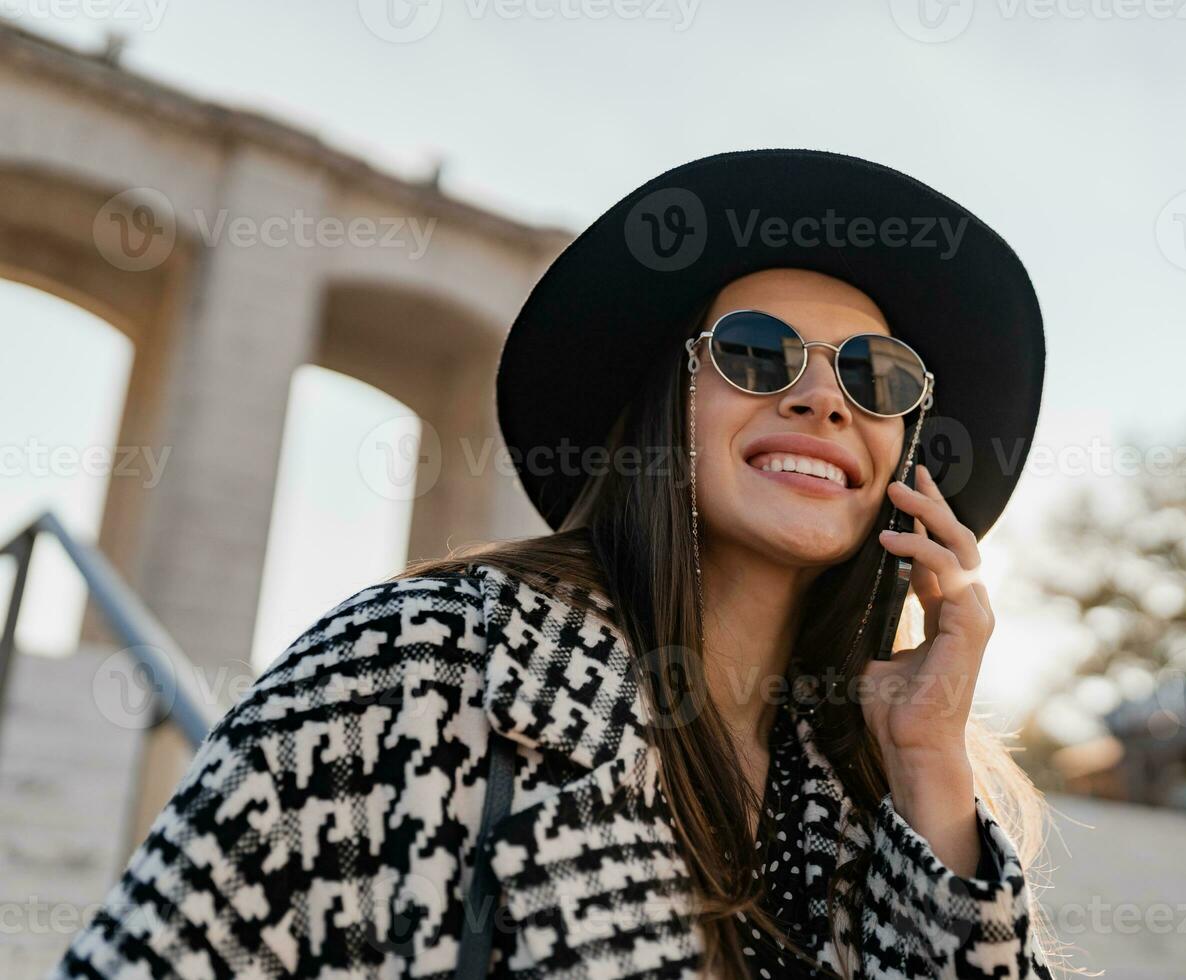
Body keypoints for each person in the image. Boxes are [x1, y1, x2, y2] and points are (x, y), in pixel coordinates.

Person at [54, 149, 1059, 978]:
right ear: (664, 401)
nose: (823, 399)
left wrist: (928, 765)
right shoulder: (421, 659)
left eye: (874, 376)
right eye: (757, 350)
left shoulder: (883, 789)